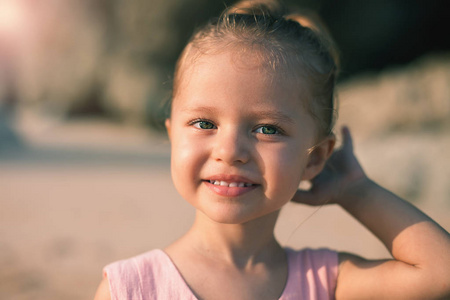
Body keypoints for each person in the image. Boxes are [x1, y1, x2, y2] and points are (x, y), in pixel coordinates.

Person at [94, 1, 450, 299]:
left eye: (267, 129)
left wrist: (355, 191)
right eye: (205, 123)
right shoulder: (131, 287)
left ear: (314, 157)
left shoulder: (325, 281)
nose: (230, 150)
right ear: (173, 136)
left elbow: (440, 271)